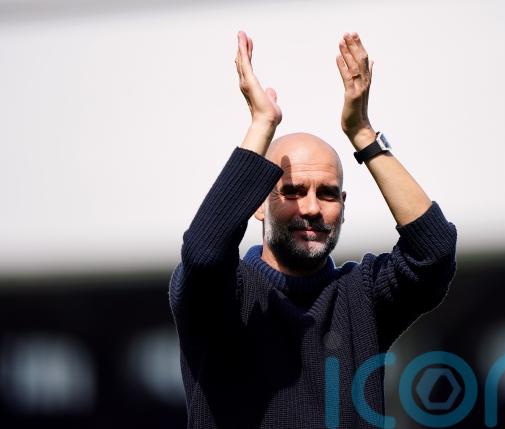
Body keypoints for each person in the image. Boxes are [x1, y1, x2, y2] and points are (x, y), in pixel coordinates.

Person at [169, 30, 457, 429]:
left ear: (343, 206)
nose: (310, 208)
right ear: (258, 205)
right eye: (292, 191)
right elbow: (203, 254)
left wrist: (363, 134)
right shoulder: (225, 296)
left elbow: (434, 254)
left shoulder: (363, 297)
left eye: (327, 194)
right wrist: (262, 124)